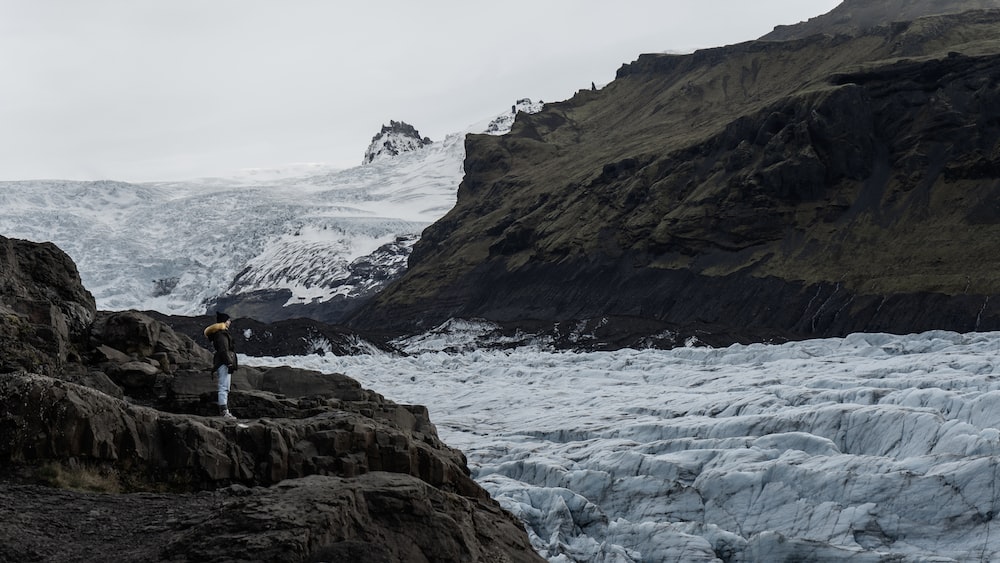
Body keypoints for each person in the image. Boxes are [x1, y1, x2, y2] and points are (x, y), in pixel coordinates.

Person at [204, 311, 238, 419]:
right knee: (224, 387)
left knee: (224, 386)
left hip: (222, 362)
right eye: (228, 320)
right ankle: (224, 412)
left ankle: (224, 411)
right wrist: (228, 361)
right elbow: (223, 350)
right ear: (224, 322)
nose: (230, 322)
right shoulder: (222, 334)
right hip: (223, 363)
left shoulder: (219, 334)